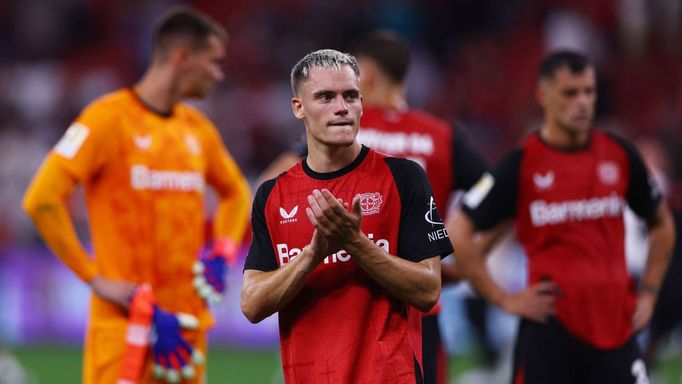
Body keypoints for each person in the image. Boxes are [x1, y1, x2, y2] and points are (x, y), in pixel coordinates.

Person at [22, 6, 251, 384]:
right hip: (123, 327)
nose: (219, 73)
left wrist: (224, 251)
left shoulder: (198, 130)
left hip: (184, 328)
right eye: (213, 62)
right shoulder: (107, 119)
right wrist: (94, 278)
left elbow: (236, 192)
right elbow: (41, 198)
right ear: (182, 57)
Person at [257, 31, 491, 384]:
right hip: (417, 300)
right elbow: (493, 190)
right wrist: (461, 251)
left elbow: (274, 184)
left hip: (356, 299)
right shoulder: (441, 135)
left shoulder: (338, 127)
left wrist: (317, 248)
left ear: (364, 76)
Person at [448, 50, 676, 383]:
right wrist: (502, 298)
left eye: (589, 91)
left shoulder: (620, 154)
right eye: (570, 93)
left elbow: (662, 224)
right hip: (549, 333)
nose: (582, 102)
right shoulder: (521, 164)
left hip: (614, 328)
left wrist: (650, 292)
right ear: (543, 96)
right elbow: (459, 232)